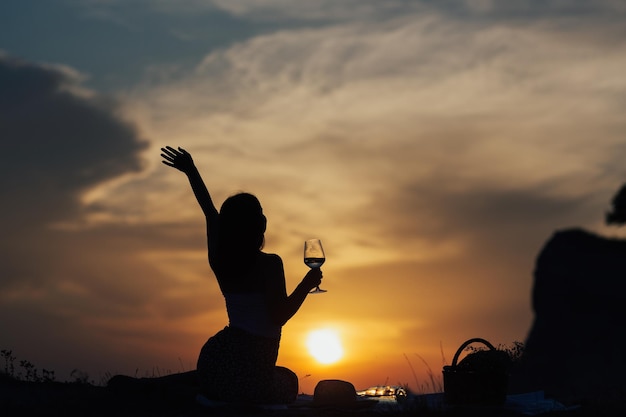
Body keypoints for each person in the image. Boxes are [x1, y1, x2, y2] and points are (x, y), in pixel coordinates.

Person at [160, 146, 323, 404]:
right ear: (260, 225)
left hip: (217, 358)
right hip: (251, 371)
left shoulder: (220, 260)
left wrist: (191, 171)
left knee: (214, 383)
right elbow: (279, 316)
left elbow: (209, 212)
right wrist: (307, 284)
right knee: (288, 380)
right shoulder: (270, 264)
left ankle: (167, 387)